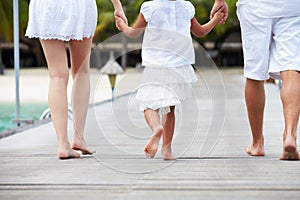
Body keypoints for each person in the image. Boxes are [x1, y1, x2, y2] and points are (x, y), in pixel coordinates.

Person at [116, 0, 225, 160]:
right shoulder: (187, 7)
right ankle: (167, 151)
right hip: (178, 65)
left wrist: (123, 26)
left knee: (148, 104)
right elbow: (200, 32)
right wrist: (215, 19)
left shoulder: (150, 7)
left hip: (156, 64)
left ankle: (156, 129)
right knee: (170, 108)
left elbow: (134, 33)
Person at [25, 0, 127, 159]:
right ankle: (78, 138)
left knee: (56, 75)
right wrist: (117, 6)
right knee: (81, 71)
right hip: (79, 5)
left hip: (46, 5)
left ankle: (62, 144)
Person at [236, 0, 300, 160]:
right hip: (291, 6)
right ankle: (290, 134)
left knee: (254, 74)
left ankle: (257, 143)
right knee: (291, 66)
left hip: (254, 7)